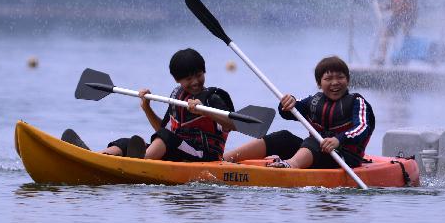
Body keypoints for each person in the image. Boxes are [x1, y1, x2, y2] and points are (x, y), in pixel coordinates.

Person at [223, 56, 375, 169]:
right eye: (328, 78)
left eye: (340, 77)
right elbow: (288, 112)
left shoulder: (357, 102)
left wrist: (338, 140)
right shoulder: (313, 101)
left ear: (347, 80)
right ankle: (225, 159)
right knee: (283, 137)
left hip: (343, 157)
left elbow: (362, 128)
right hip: (318, 152)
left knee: (316, 140)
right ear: (319, 83)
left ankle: (290, 166)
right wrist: (287, 102)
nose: (335, 82)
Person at [87, 48, 236, 161]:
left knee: (166, 137)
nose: (195, 82)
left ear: (204, 72)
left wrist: (206, 112)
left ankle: (140, 163)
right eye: (189, 79)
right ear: (177, 80)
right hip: (178, 150)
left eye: (199, 75)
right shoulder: (177, 96)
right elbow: (161, 130)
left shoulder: (213, 98)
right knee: (125, 142)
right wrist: (147, 108)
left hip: (205, 156)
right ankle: (93, 158)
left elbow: (233, 125)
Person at [376, 0, 418, 65]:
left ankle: (404, 57)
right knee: (385, 34)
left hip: (408, 17)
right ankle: (382, 57)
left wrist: (404, 6)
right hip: (396, 17)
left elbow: (413, 7)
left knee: (406, 32)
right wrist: (383, 6)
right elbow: (391, 4)